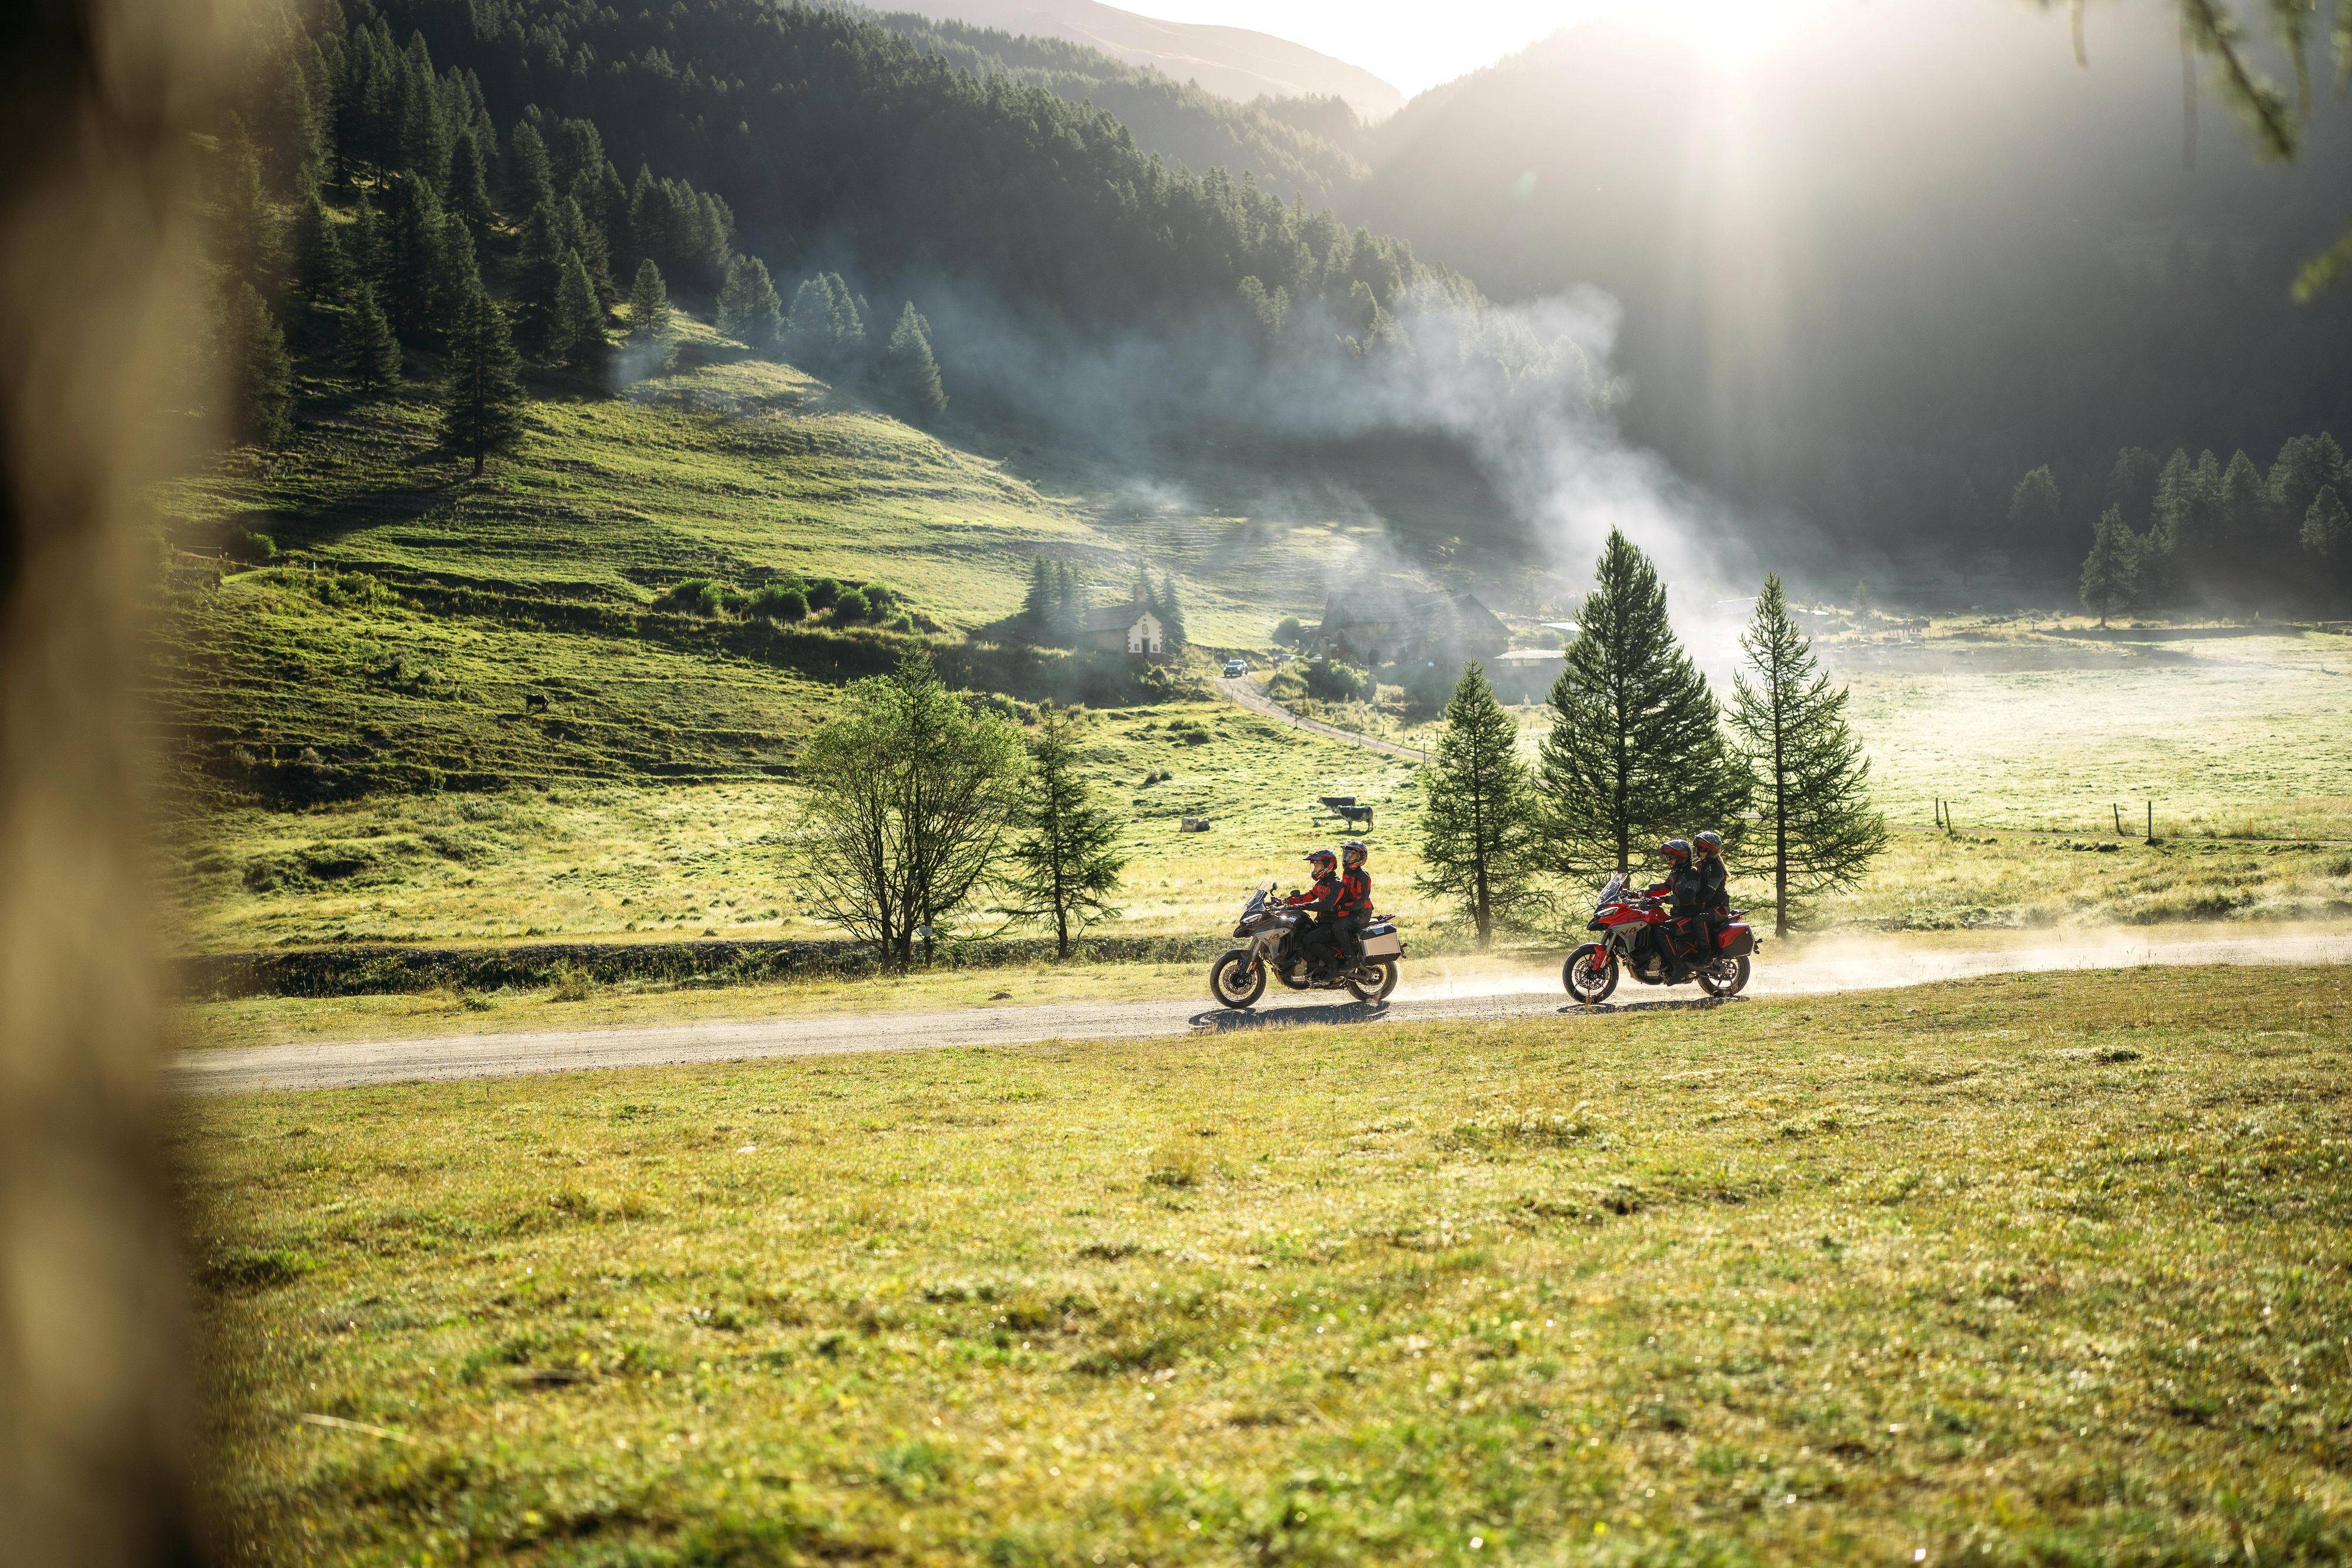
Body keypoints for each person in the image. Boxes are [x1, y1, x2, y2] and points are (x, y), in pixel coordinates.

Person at [1643, 837, 1703, 982]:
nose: (1668, 861)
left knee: (1662, 930)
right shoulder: (1676, 873)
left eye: (1671, 857)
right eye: (1668, 858)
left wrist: (1666, 900)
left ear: (1681, 857)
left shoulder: (1691, 873)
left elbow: (1688, 897)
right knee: (1653, 926)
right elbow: (1665, 887)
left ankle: (1679, 967)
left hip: (1690, 916)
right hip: (1678, 914)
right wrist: (1644, 893)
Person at [1285, 847, 1342, 980]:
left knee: (1309, 940)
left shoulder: (1336, 884)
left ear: (1328, 866)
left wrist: (1305, 906)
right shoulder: (1322, 883)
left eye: (1318, 866)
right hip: (1322, 922)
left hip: (1333, 924)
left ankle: (1333, 967)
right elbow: (1308, 896)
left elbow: (1327, 905)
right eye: (1314, 866)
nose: (1315, 869)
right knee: (1301, 932)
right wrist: (1286, 901)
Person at [1691, 829, 1730, 968]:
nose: (1700, 852)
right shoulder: (1700, 864)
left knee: (1699, 919)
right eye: (1699, 849)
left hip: (1720, 907)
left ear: (1712, 851)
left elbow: (1708, 893)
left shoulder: (1717, 868)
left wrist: (1692, 900)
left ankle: (1706, 953)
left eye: (1704, 849)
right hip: (1707, 906)